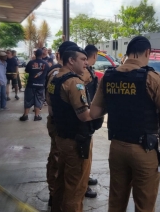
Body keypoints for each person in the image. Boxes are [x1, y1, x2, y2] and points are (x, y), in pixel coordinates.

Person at [90, 36, 160, 211]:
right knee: (144, 205)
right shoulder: (152, 78)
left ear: (128, 53)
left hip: (117, 148)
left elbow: (94, 112)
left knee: (116, 201)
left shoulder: (109, 76)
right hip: (143, 150)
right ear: (147, 52)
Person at [47, 46, 96, 212]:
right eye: (83, 59)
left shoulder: (54, 79)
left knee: (61, 182)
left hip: (61, 138)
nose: (86, 63)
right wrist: (104, 109)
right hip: (76, 142)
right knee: (75, 189)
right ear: (71, 60)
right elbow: (85, 116)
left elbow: (52, 110)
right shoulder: (74, 82)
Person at [45, 41, 78, 208]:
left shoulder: (57, 73)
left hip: (57, 120)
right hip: (58, 122)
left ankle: (57, 192)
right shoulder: (59, 74)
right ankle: (54, 192)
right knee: (57, 157)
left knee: (58, 157)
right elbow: (50, 101)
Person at [81, 44, 104, 199]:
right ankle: (82, 186)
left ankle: (85, 178)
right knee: (83, 155)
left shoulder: (85, 70)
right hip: (83, 119)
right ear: (94, 55)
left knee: (86, 154)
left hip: (86, 118)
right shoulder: (84, 72)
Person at [19, 49, 49, 121]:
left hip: (31, 84)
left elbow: (26, 70)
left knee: (28, 99)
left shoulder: (31, 62)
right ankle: (36, 116)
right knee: (39, 99)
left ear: (35, 55)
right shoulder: (46, 64)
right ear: (42, 55)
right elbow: (48, 73)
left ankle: (25, 115)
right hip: (41, 85)